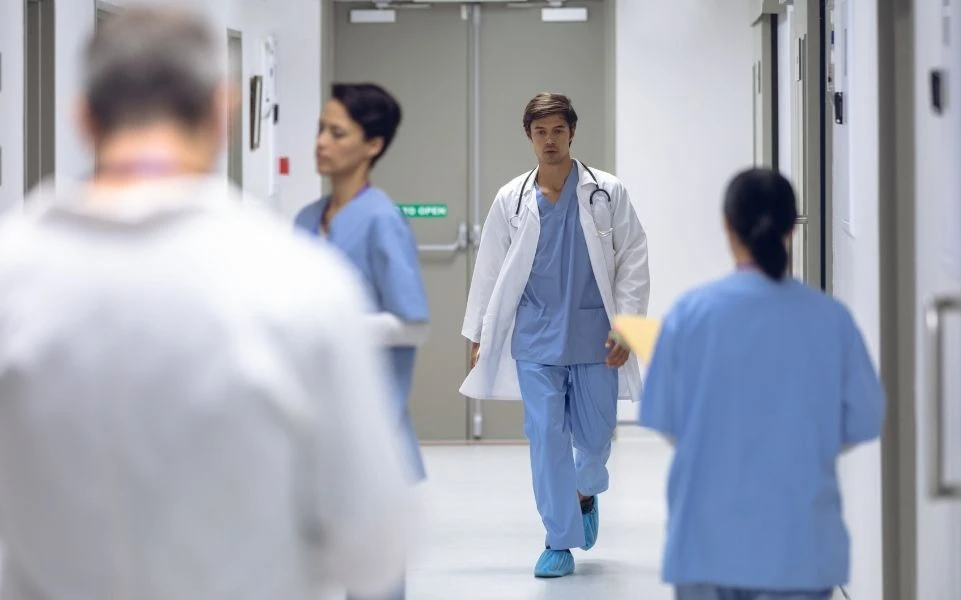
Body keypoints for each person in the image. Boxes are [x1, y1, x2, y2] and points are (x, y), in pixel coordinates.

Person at [0, 7, 414, 600]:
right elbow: (373, 544)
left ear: (82, 118)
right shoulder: (300, 286)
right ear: (222, 114)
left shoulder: (12, 277)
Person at [636, 168, 885, 600]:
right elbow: (863, 420)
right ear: (791, 227)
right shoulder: (830, 319)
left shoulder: (690, 314)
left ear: (727, 226)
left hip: (706, 543)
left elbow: (666, 420)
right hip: (799, 548)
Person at [461, 92, 650, 578]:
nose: (550, 140)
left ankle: (585, 492)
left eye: (558, 131)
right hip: (536, 337)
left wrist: (629, 326)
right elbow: (489, 270)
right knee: (545, 437)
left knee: (593, 442)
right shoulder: (512, 199)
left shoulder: (606, 192)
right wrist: (478, 334)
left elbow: (633, 259)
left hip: (595, 336)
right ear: (529, 136)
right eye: (540, 132)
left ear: (571, 133)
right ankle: (557, 540)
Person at [293, 82, 429, 600]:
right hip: (311, 425)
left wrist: (340, 323)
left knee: (374, 585)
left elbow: (413, 322)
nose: (321, 142)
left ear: (372, 145)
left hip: (374, 426)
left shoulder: (381, 221)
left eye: (337, 132)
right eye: (321, 129)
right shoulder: (306, 220)